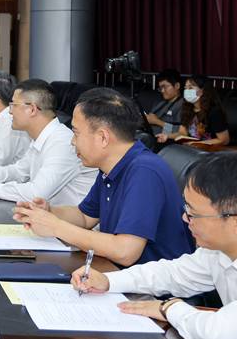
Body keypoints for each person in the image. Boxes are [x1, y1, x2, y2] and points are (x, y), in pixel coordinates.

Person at [72, 152, 237, 339]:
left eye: (193, 213)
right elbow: (173, 274)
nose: (184, 218)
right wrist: (109, 281)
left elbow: (223, 338)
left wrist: (169, 308)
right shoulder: (224, 247)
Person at [14, 88, 193, 265]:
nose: (72, 142)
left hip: (153, 283)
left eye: (76, 133)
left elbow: (125, 251)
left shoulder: (145, 172)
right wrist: (49, 212)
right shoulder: (110, 167)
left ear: (103, 138)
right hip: (118, 273)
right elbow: (84, 217)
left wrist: (56, 227)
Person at [0, 79, 97, 206]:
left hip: (69, 218)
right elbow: (20, 171)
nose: (10, 111)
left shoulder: (62, 142)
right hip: (47, 215)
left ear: (32, 109)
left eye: (13, 105)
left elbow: (36, 194)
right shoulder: (40, 136)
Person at [158, 75, 230, 146]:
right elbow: (183, 133)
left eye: (190, 88)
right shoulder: (187, 109)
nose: (186, 91)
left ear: (201, 91)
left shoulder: (214, 112)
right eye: (185, 88)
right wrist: (167, 136)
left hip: (209, 150)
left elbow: (224, 140)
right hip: (191, 148)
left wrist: (196, 144)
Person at [146, 69, 184, 135]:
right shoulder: (160, 103)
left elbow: (180, 132)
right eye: (160, 88)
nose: (162, 91)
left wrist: (157, 122)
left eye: (165, 87)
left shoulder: (183, 106)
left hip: (165, 139)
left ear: (177, 86)